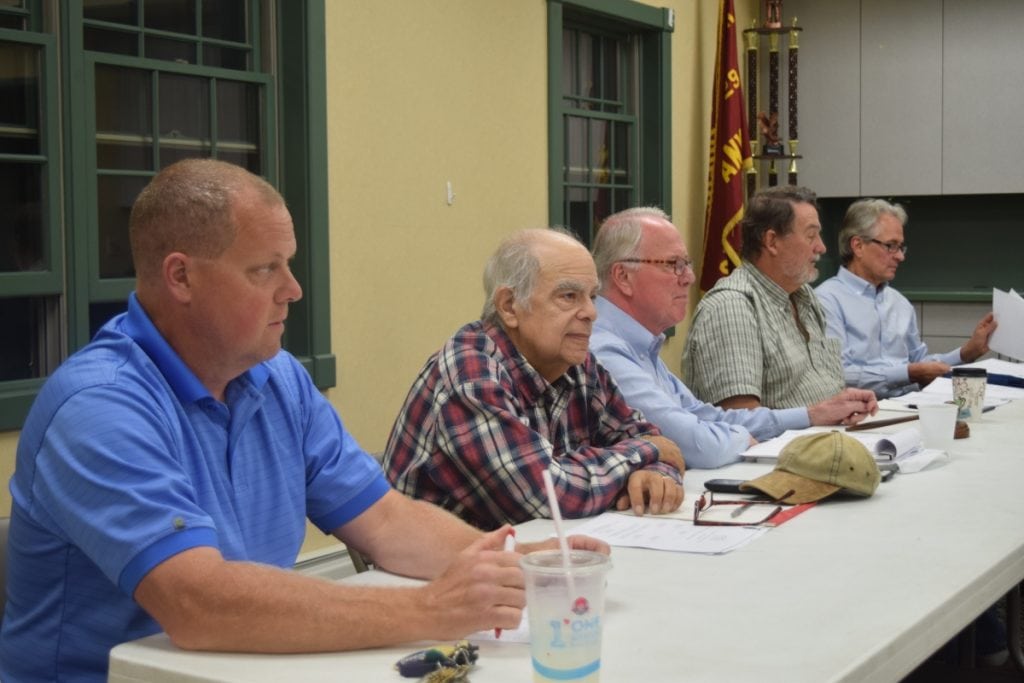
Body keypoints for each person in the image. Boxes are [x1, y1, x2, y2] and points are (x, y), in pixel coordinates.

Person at [0, 159, 608, 683]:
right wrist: (431, 609)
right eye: (265, 269)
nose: (292, 289)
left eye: (288, 265)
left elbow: (388, 522)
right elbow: (196, 603)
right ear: (180, 276)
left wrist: (521, 565)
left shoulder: (278, 378)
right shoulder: (99, 406)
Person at [382, 227, 686, 531]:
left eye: (592, 296)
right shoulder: (469, 374)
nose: (591, 312)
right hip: (426, 572)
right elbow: (547, 494)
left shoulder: (578, 365)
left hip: (532, 555)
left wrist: (656, 476)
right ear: (509, 306)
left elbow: (645, 437)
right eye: (569, 296)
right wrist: (647, 453)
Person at [590, 207, 878, 469]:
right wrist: (743, 439)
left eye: (687, 264)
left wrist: (813, 414)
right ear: (623, 277)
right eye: (673, 264)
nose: (689, 277)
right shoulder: (604, 351)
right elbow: (698, 446)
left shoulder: (642, 346)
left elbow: (704, 415)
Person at [815, 198, 997, 399]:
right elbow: (836, 375)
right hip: (861, 413)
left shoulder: (899, 303)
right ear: (858, 246)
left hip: (909, 405)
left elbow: (920, 362)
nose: (900, 257)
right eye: (891, 246)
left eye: (901, 247)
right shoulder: (826, 301)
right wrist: (908, 373)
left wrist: (966, 353)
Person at [682, 185, 845, 410]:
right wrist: (816, 416)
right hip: (781, 445)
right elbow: (741, 417)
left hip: (833, 435)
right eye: (811, 235)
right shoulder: (733, 307)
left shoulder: (804, 296)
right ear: (772, 241)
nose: (822, 247)